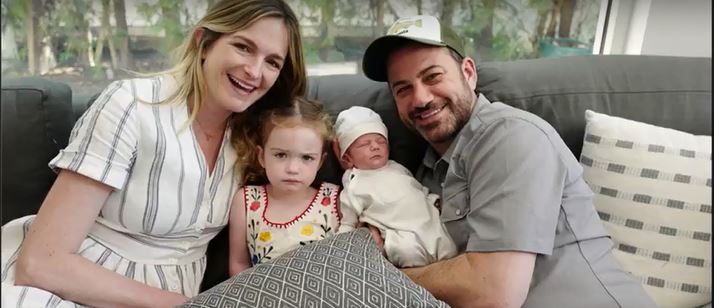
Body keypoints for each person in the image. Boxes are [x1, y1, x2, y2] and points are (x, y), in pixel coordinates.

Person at [0, 0, 306, 307]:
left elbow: (331, 139)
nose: (254, 71)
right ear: (204, 43)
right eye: (243, 47)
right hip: (68, 284)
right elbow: (41, 263)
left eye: (273, 62)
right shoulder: (131, 105)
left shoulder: (258, 137)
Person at [357, 15, 657, 307]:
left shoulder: (511, 136)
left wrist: (384, 276)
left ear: (469, 73)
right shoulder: (422, 176)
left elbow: (493, 293)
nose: (420, 98)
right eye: (403, 89)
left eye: (433, 76)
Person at [227, 97, 340, 275]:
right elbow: (239, 264)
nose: (293, 169)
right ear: (262, 156)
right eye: (280, 155)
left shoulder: (334, 200)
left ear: (320, 162)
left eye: (307, 158)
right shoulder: (247, 201)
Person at [334, 106, 457, 268]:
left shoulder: (397, 167)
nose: (375, 146)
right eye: (365, 144)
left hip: (427, 222)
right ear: (348, 157)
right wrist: (340, 248)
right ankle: (418, 280)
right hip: (399, 234)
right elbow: (348, 222)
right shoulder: (354, 183)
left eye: (381, 141)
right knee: (406, 251)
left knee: (449, 245)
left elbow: (416, 188)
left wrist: (432, 199)